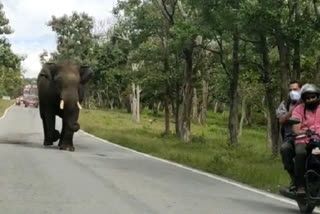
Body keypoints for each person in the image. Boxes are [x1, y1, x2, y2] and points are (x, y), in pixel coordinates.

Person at [292, 83, 320, 195]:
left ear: (317, 96)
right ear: (304, 99)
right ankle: (300, 185)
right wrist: (303, 131)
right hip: (304, 139)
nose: (310, 99)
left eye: (313, 97)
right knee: (300, 152)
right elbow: (295, 128)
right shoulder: (299, 109)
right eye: (307, 98)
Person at [276, 80, 302, 191]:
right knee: (285, 149)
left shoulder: (309, 103)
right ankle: (294, 179)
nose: (293, 92)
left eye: (295, 89)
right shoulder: (285, 105)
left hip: (308, 136)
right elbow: (281, 119)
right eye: (290, 90)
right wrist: (291, 111)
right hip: (290, 138)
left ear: (301, 89)